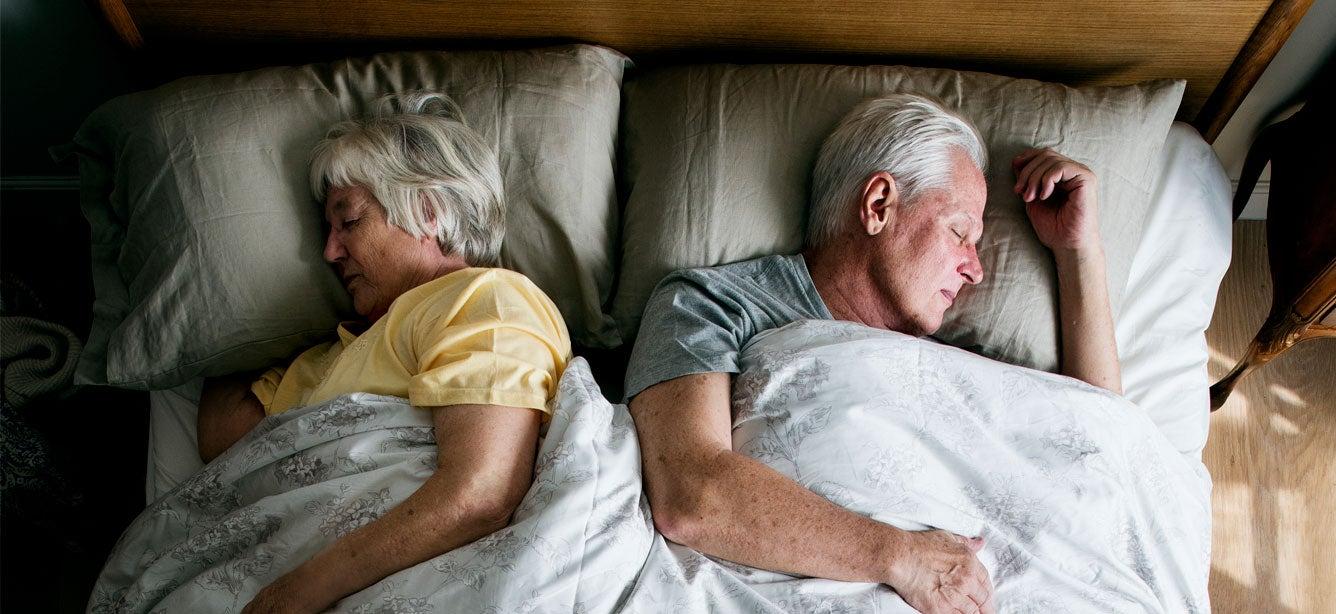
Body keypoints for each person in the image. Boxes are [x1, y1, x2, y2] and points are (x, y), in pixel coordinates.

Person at [623, 94, 1121, 614]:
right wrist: (901, 557)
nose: (976, 270)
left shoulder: (950, 364)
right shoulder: (715, 304)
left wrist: (1078, 252)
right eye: (960, 233)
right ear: (879, 204)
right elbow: (691, 492)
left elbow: (1099, 444)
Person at [194, 93, 572, 613]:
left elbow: (481, 494)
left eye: (349, 222)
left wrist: (292, 595)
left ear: (428, 211)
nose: (329, 252)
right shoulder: (327, 354)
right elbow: (221, 441)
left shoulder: (484, 297)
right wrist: (228, 316)